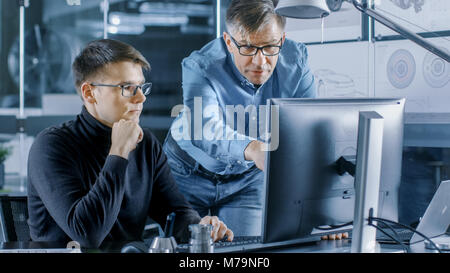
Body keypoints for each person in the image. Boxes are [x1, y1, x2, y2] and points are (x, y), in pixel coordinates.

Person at [27, 39, 233, 249]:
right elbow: (87, 235)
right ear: (89, 93)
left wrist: (199, 226)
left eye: (141, 87)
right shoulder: (51, 146)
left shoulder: (146, 144)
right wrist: (118, 152)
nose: (141, 98)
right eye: (127, 87)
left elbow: (175, 212)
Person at [162, 0, 339, 238]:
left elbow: (310, 130)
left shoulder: (296, 61)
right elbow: (203, 128)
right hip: (187, 173)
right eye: (247, 48)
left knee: (247, 250)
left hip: (248, 179)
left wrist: (327, 219)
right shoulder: (200, 65)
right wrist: (254, 148)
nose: (260, 61)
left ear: (282, 40)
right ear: (228, 42)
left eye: (269, 47)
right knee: (188, 248)